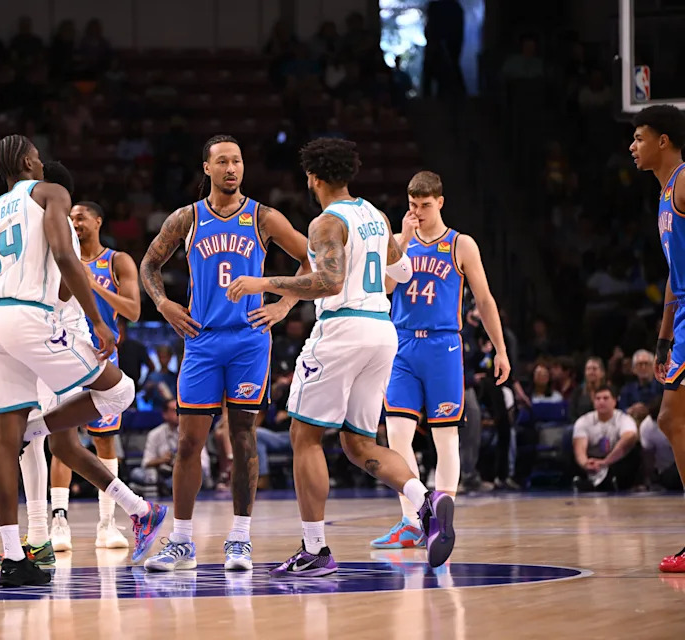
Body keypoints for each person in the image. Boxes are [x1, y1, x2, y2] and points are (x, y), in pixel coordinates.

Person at [225, 138, 456, 573]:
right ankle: (427, 499)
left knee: (304, 437)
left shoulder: (326, 223)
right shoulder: (375, 215)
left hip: (343, 328)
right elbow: (401, 272)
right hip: (381, 330)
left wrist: (265, 284)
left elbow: (328, 283)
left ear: (312, 178)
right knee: (358, 443)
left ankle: (315, 549)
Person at [0, 135, 166, 587]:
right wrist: (98, 321)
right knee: (119, 392)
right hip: (35, 319)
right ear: (29, 161)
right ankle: (42, 530)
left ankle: (17, 556)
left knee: (18, 438)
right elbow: (60, 262)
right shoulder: (49, 193)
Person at [139, 134, 310, 572]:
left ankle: (240, 538)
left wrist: (284, 302)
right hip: (202, 339)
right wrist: (162, 303)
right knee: (189, 441)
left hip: (250, 340)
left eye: (237, 160)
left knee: (242, 437)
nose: (232, 168)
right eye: (223, 161)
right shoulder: (187, 218)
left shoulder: (264, 217)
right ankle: (181, 541)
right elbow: (148, 264)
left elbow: (311, 259)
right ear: (207, 169)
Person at [375, 171, 510, 550]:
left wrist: (499, 349)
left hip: (443, 346)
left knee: (445, 437)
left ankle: (442, 520)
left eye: (425, 205)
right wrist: (399, 242)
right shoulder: (399, 242)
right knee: (397, 435)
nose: (417, 212)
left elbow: (484, 300)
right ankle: (412, 519)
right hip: (401, 344)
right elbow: (385, 289)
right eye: (412, 205)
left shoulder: (460, 244)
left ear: (441, 202)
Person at [49, 200, 142, 552]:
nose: (75, 222)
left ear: (98, 221)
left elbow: (132, 310)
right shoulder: (59, 260)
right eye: (70, 218)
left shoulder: (116, 261)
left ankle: (107, 524)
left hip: (103, 358)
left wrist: (93, 285)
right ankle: (59, 523)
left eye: (80, 217)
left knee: (105, 441)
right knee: (63, 440)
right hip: (62, 356)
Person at [630, 104, 685, 571]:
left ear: (663, 140)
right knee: (672, 420)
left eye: (639, 137)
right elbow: (673, 275)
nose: (633, 146)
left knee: (671, 418)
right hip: (682, 314)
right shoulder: (666, 193)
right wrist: (664, 337)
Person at [571, 386, 639, 492]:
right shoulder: (583, 421)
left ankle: (616, 481)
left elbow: (629, 437)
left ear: (614, 401)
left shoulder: (623, 419)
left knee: (634, 450)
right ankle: (584, 480)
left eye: (605, 398)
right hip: (592, 458)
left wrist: (606, 461)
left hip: (614, 459)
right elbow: (579, 448)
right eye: (598, 399)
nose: (601, 402)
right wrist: (585, 463)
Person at [619, 350, 664, 422]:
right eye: (640, 364)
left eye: (646, 364)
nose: (643, 367)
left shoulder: (663, 386)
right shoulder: (627, 389)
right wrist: (631, 410)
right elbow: (619, 412)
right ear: (634, 369)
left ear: (654, 367)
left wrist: (650, 409)